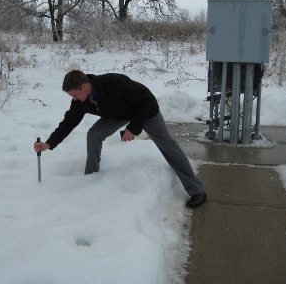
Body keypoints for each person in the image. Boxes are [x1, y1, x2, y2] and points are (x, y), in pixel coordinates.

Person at [33, 70, 207, 208]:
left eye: (75, 95)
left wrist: (133, 128)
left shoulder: (113, 83)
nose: (74, 99)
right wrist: (49, 143)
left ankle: (196, 190)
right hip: (117, 114)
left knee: (168, 145)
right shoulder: (81, 101)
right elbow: (68, 122)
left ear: (85, 86)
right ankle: (91, 177)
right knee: (94, 134)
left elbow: (144, 98)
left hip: (145, 110)